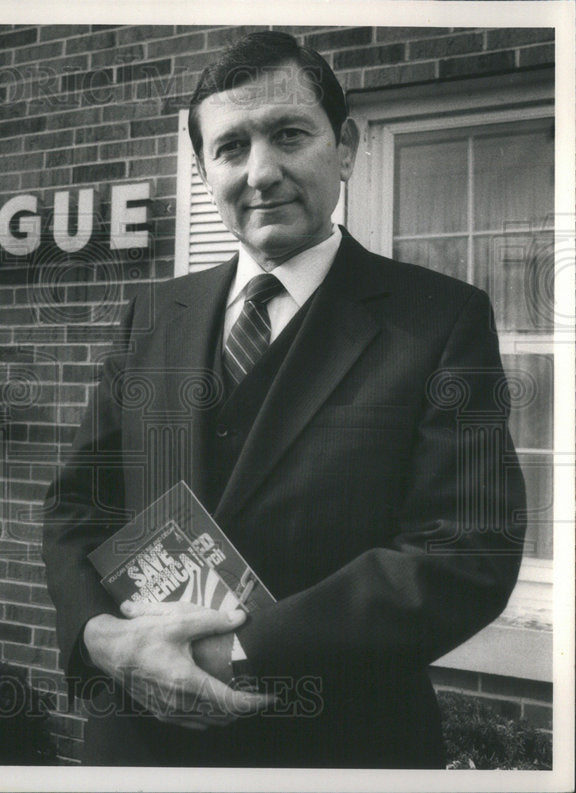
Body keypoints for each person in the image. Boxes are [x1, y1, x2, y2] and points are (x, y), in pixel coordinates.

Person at [40, 31, 527, 768]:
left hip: (337, 746)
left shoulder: (438, 321)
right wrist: (105, 641)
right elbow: (80, 506)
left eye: (289, 134)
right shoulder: (151, 316)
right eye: (231, 147)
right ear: (205, 171)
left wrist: (235, 652)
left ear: (346, 147)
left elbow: (466, 549)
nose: (261, 172)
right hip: (137, 743)